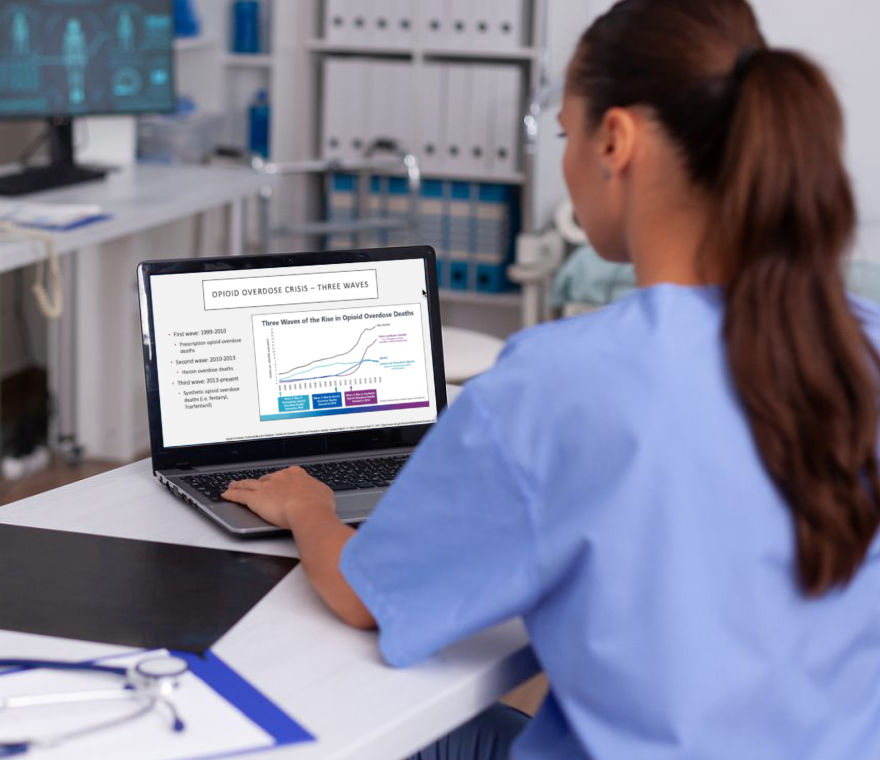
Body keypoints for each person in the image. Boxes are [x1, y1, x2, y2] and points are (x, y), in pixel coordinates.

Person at [222, 0, 880, 757]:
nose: (566, 161)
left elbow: (364, 596)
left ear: (615, 140)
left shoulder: (560, 383)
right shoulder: (860, 345)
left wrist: (309, 505)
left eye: (565, 135)